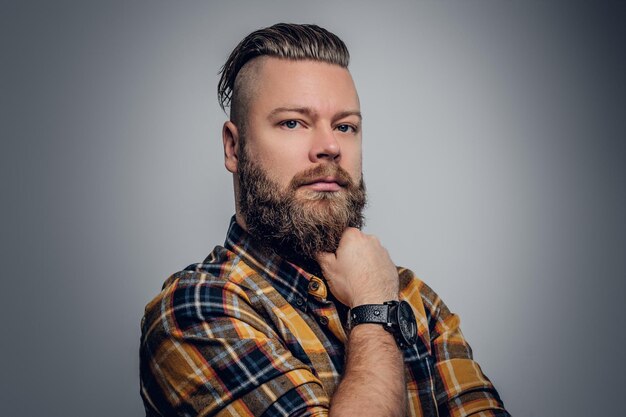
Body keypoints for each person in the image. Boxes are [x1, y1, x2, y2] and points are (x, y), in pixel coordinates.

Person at [140, 23, 510, 417]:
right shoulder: (195, 310)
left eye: (345, 126)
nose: (331, 146)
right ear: (233, 147)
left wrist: (379, 296)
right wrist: (373, 309)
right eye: (293, 123)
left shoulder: (416, 300)